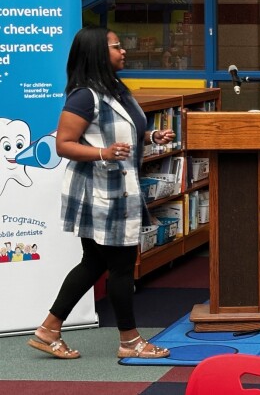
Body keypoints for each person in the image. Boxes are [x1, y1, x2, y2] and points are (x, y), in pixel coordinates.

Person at [28, 26, 176, 359]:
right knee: (121, 267)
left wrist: (152, 137)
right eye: (116, 46)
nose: (124, 51)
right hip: (99, 194)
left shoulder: (118, 90)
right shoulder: (84, 96)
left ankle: (48, 330)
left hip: (119, 191)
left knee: (94, 262)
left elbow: (127, 131)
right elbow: (63, 145)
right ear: (97, 53)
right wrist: (103, 154)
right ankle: (130, 341)